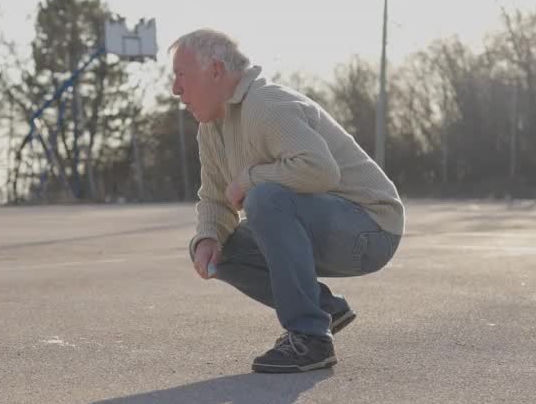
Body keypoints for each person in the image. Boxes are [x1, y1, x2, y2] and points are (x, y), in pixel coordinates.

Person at [171, 28, 404, 373]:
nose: (176, 89)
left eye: (181, 76)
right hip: (323, 226)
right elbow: (215, 197)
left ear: (216, 71)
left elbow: (321, 170)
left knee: (264, 199)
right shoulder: (211, 128)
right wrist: (207, 237)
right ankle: (324, 309)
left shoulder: (265, 105)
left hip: (370, 229)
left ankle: (311, 338)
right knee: (223, 248)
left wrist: (249, 180)